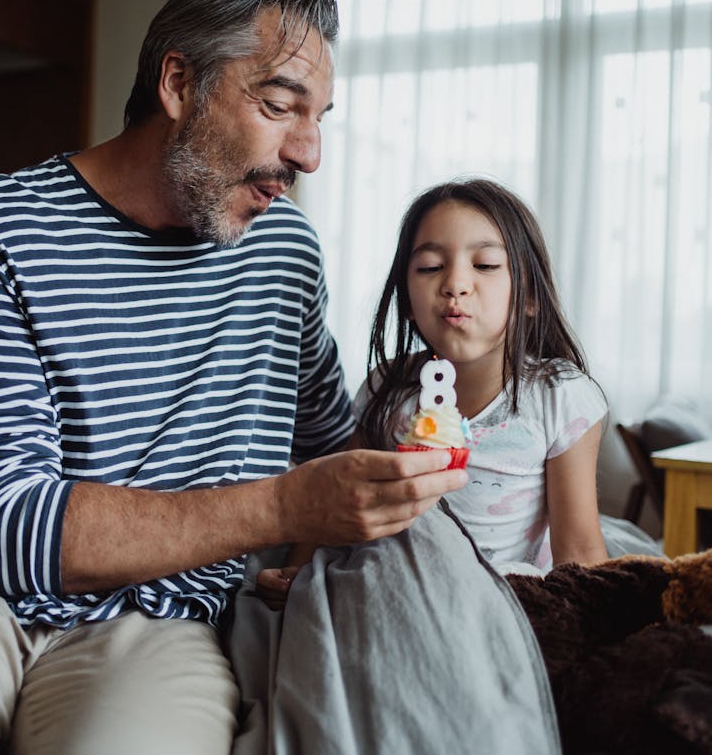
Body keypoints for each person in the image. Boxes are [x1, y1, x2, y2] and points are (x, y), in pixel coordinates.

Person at [0, 0, 465, 755]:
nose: (309, 153)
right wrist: (282, 508)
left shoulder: (284, 251)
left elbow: (326, 438)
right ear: (178, 82)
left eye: (321, 120)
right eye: (281, 104)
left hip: (157, 623)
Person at [257, 176, 608, 608]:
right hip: (392, 589)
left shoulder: (560, 397)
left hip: (502, 601)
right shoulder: (386, 389)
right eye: (429, 267)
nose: (455, 284)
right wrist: (297, 570)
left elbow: (580, 553)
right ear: (406, 297)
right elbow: (337, 502)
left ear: (531, 295)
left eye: (485, 265)